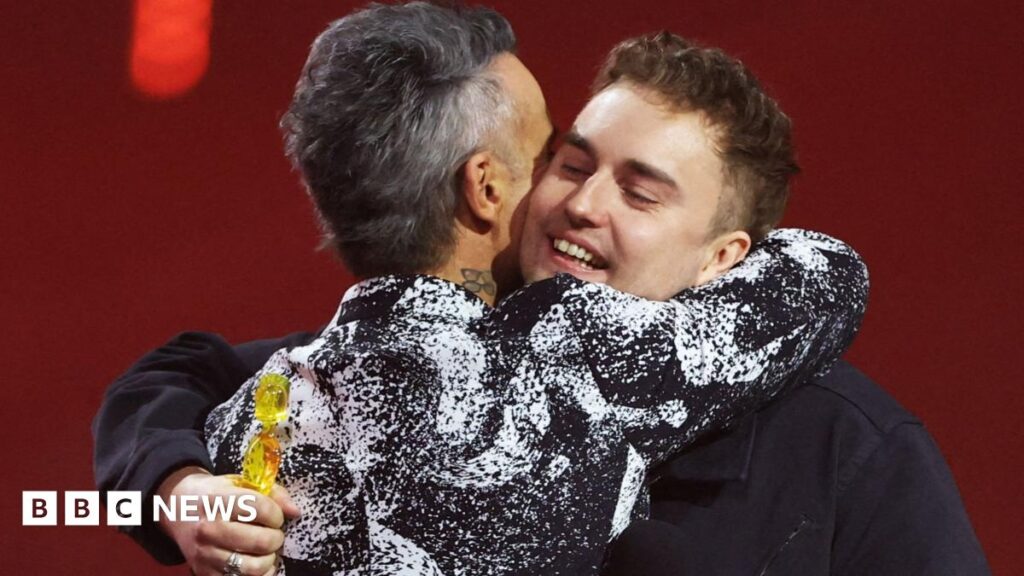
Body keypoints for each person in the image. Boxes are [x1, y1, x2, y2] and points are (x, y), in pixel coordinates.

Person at [91, 5, 968, 576]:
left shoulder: (845, 444)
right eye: (570, 162)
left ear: (724, 258)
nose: (580, 204)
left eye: (640, 190)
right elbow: (173, 379)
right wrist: (177, 488)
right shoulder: (382, 372)